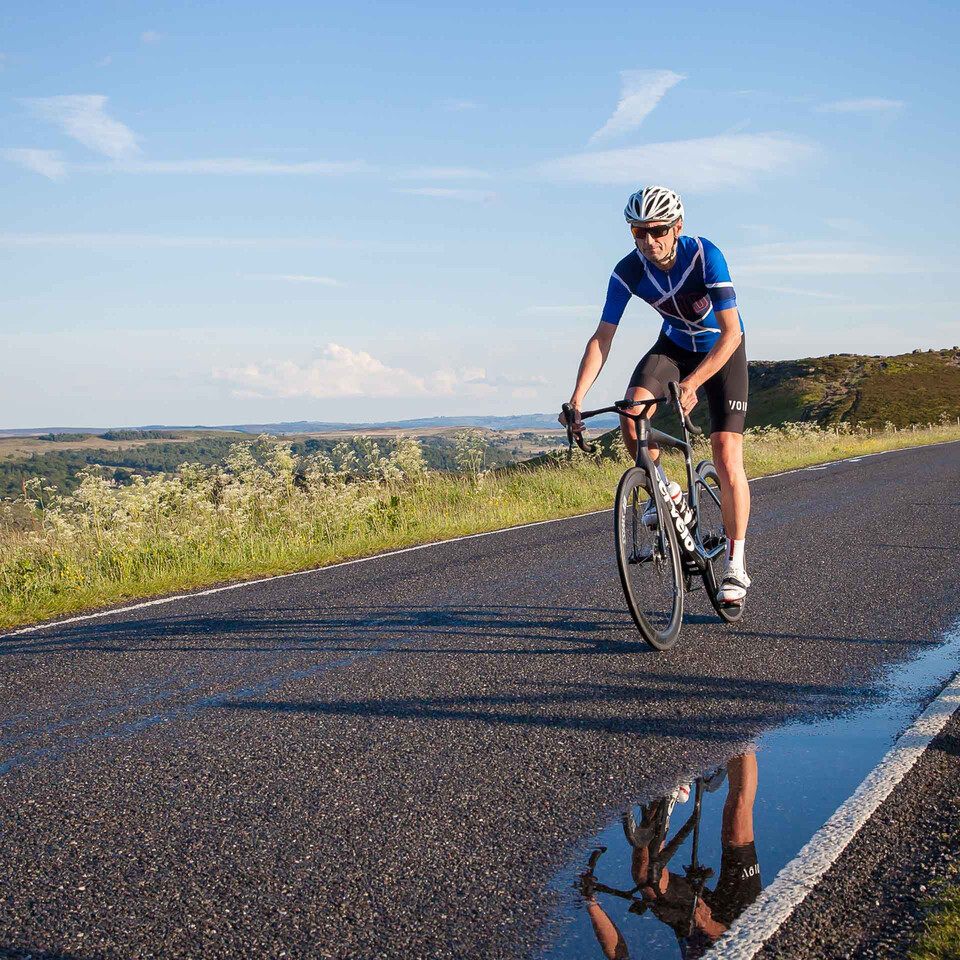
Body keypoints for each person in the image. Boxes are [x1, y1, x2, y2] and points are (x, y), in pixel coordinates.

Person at [560, 185, 751, 602]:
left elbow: (732, 331)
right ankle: (668, 492)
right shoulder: (628, 270)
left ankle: (736, 566)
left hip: (721, 350)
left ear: (677, 226)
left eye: (658, 230)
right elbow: (602, 338)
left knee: (726, 453)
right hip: (675, 345)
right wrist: (576, 399)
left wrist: (694, 384)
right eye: (638, 233)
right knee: (631, 412)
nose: (649, 241)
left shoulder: (704, 255)